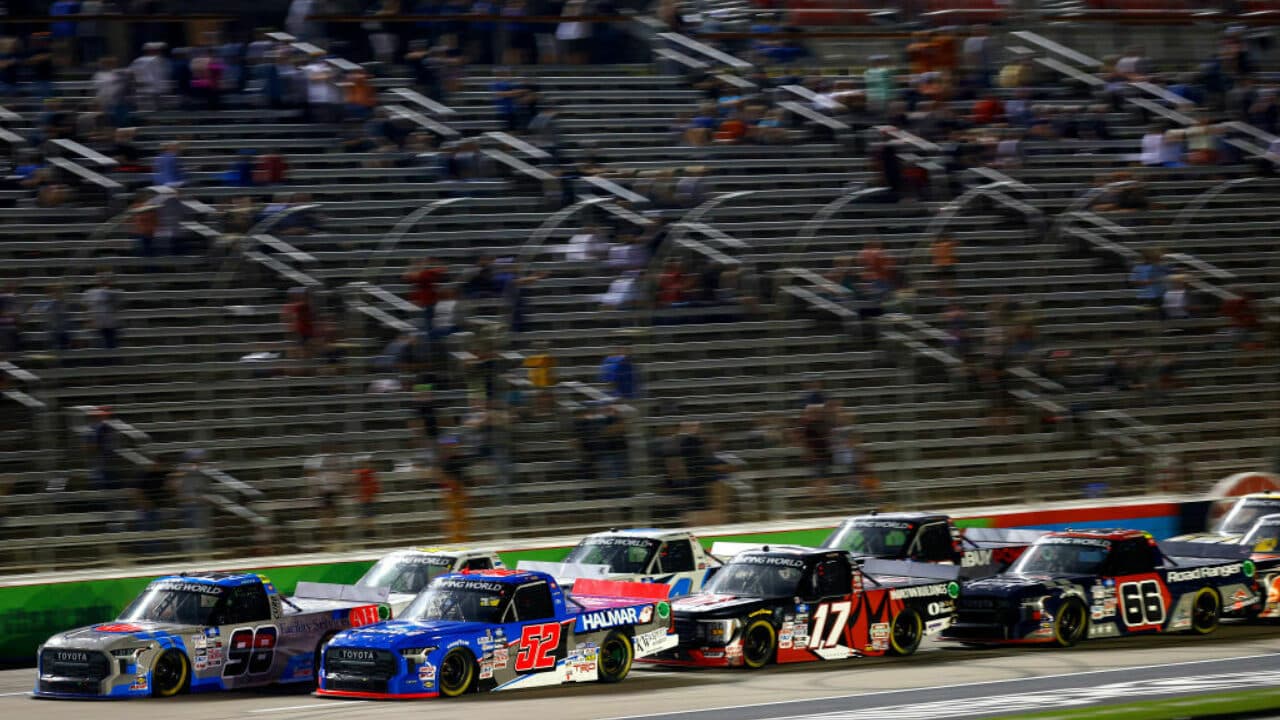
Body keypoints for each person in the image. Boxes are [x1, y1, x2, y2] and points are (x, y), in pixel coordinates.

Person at [404, 258, 447, 332]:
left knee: (424, 323)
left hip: (424, 301)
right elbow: (442, 269)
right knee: (425, 323)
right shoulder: (425, 273)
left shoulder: (422, 273)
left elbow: (442, 269)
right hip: (424, 301)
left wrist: (420, 266)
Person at [83, 271, 121, 350]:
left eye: (106, 278)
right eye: (101, 278)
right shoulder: (90, 292)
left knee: (111, 348)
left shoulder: (115, 292)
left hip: (110, 325)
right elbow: (87, 307)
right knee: (97, 349)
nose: (104, 280)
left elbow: (117, 306)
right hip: (97, 325)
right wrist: (89, 320)